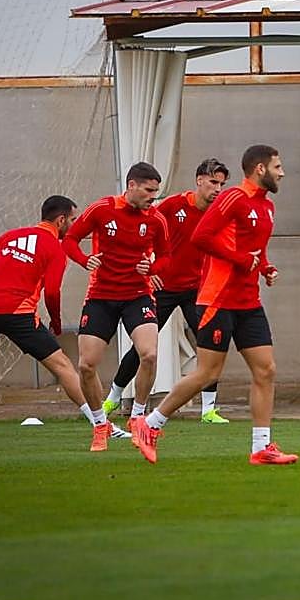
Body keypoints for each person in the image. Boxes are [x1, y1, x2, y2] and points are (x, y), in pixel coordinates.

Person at [135, 145, 298, 466]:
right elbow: (201, 236)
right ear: (260, 169)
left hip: (248, 301)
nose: (282, 173)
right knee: (208, 372)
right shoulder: (233, 197)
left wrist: (265, 268)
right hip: (218, 299)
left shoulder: (267, 206)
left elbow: (256, 248)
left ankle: (261, 448)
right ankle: (149, 424)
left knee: (266, 370)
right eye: (277, 167)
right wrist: (240, 259)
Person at [0, 196, 103, 440]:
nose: (74, 224)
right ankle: (100, 424)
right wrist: (56, 322)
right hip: (17, 312)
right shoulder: (55, 248)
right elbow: (52, 292)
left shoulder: (11, 235)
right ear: (61, 220)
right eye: (73, 219)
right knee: (62, 365)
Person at [103, 158, 231, 424]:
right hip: (164, 287)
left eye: (221, 184)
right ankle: (112, 397)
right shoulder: (173, 206)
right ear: (199, 181)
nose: (218, 189)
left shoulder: (219, 212)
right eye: (213, 182)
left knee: (210, 344)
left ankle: (208, 409)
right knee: (143, 349)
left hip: (197, 290)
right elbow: (147, 232)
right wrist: (151, 270)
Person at [63, 162, 171, 452]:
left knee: (149, 354)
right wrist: (84, 260)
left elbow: (166, 257)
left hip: (138, 295)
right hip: (101, 297)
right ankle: (100, 424)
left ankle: (138, 418)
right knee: (86, 365)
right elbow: (70, 239)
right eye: (148, 190)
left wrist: (152, 268)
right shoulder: (102, 209)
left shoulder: (156, 219)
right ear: (131, 185)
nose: (153, 197)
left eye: (156, 191)